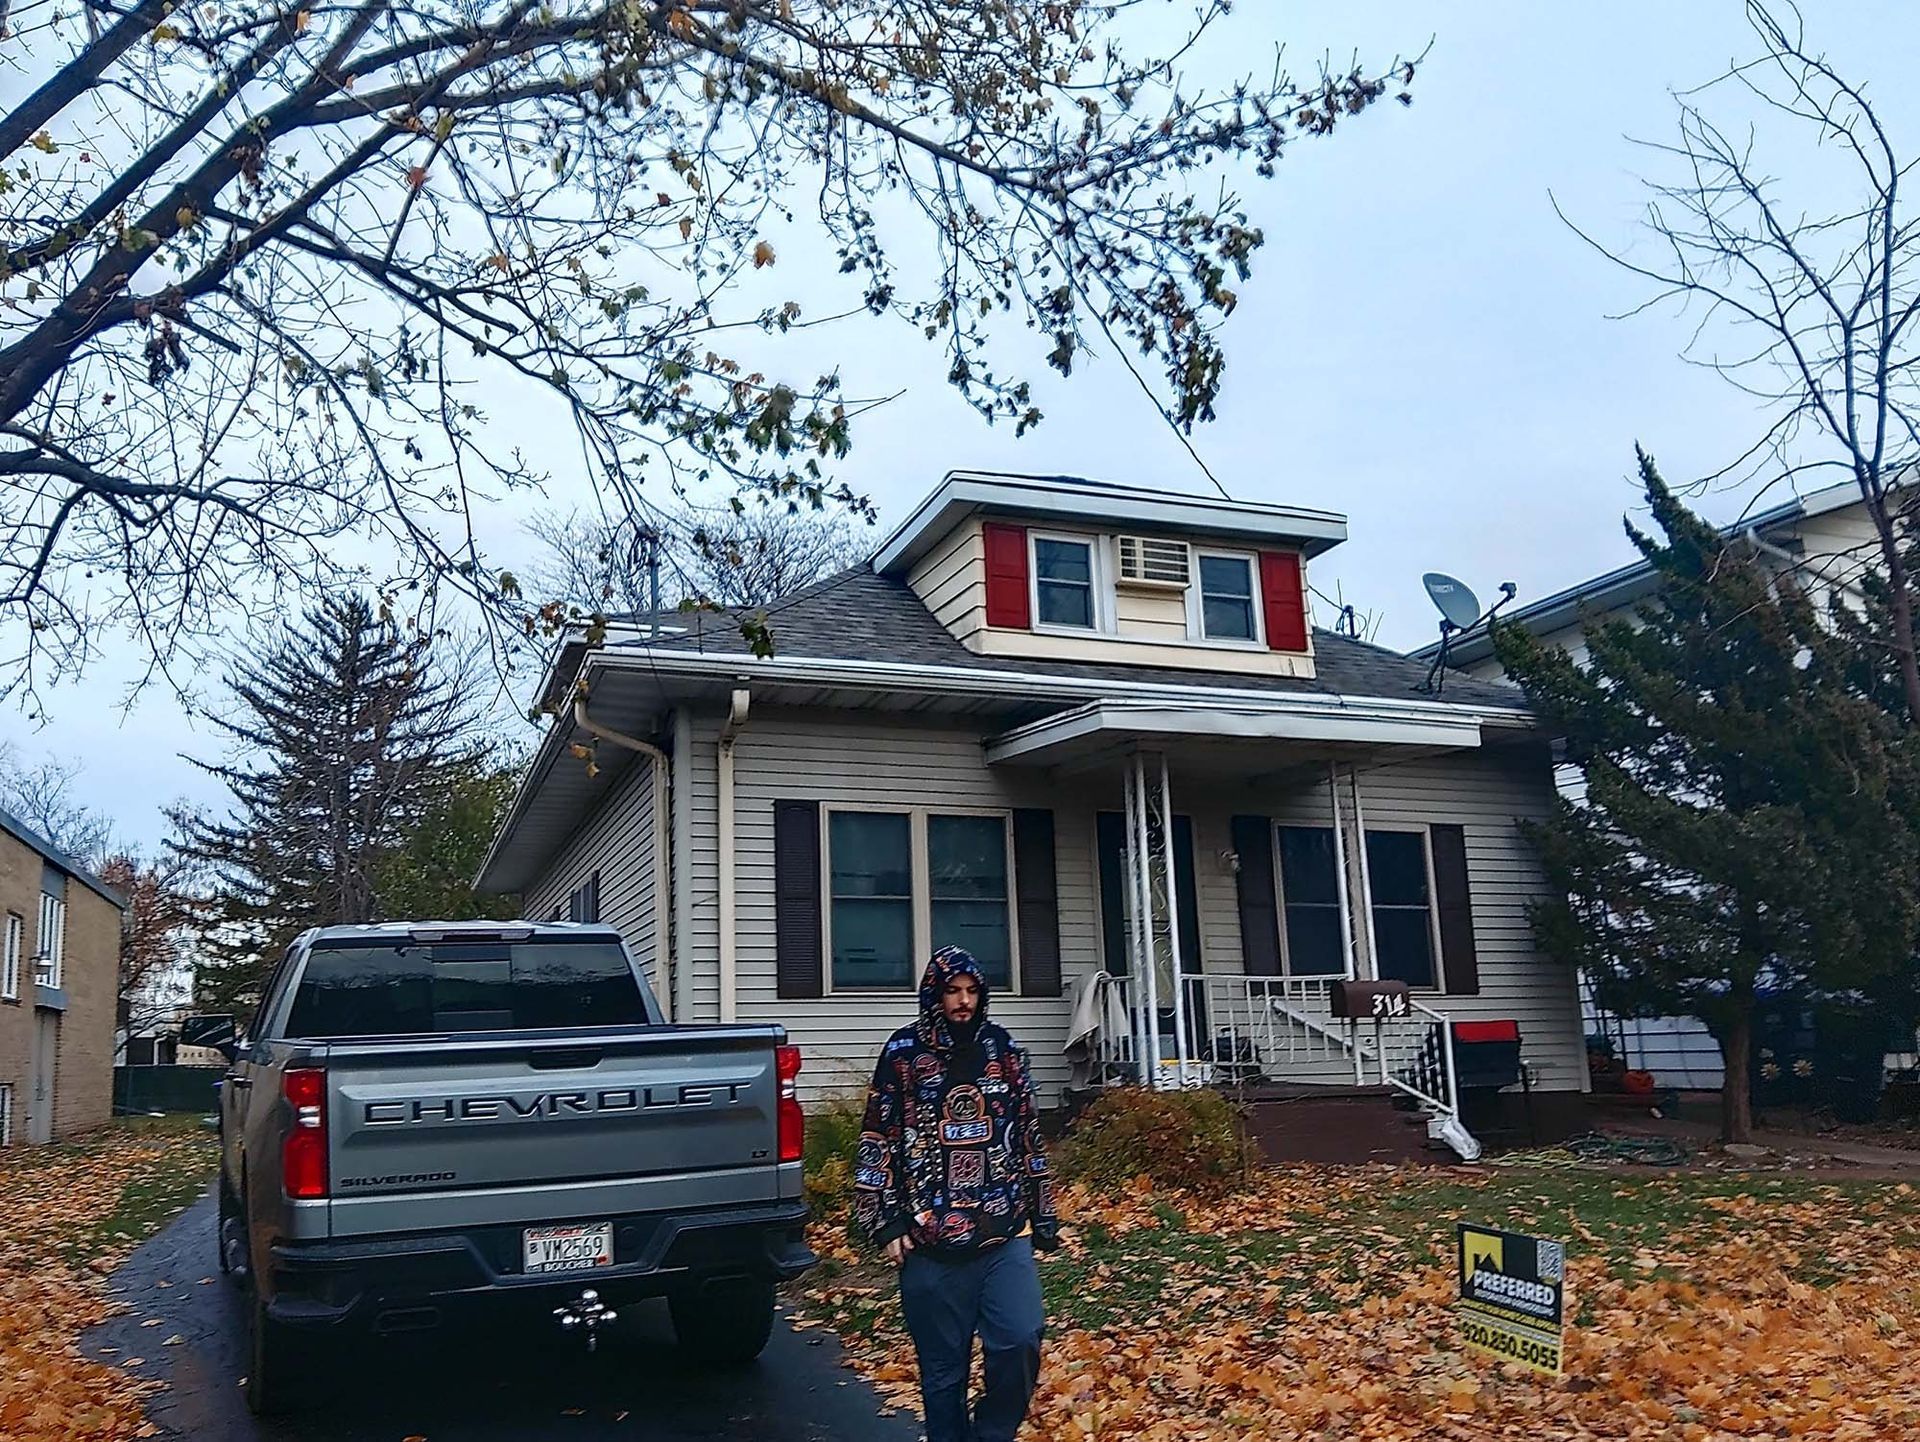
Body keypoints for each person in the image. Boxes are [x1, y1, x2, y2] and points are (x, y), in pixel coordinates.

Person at [853, 946, 1060, 1442]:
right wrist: (885, 1221)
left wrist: (1043, 1212)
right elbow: (877, 1136)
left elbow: (1029, 1132)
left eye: (971, 991)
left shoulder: (1003, 1049)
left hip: (1002, 1232)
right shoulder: (903, 1053)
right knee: (943, 1379)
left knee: (1020, 1339)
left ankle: (991, 1434)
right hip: (930, 1243)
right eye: (952, 991)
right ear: (935, 995)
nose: (963, 1001)